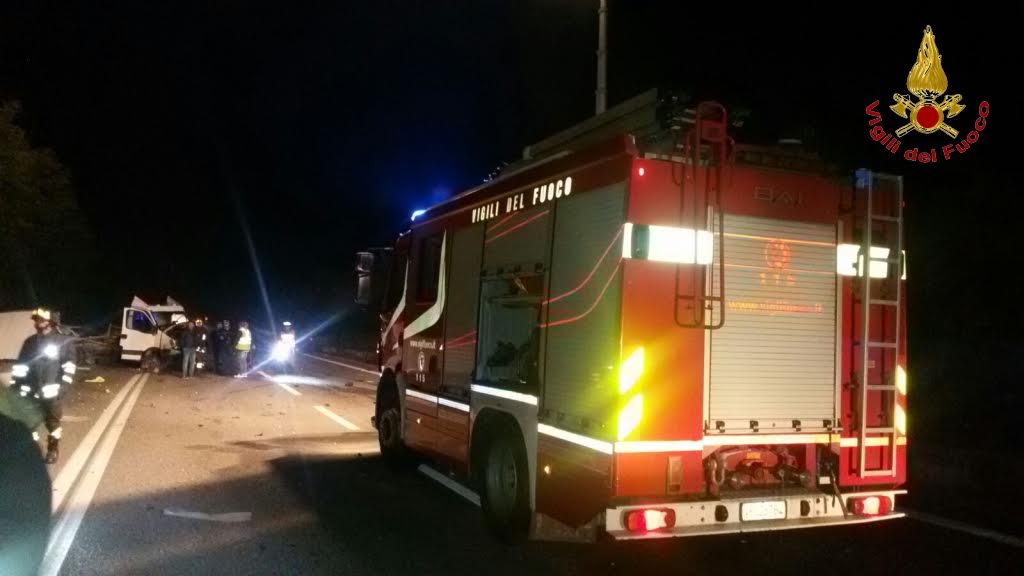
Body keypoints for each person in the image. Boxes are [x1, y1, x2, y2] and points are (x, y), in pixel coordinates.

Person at [10, 308, 75, 464]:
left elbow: (69, 367)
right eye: (36, 319)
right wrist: (15, 386)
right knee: (30, 423)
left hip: (52, 392)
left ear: (51, 321)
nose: (38, 322)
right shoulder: (30, 342)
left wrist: (63, 387)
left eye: (42, 319)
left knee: (53, 423)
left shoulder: (63, 342)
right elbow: (21, 366)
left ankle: (53, 449)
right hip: (31, 391)